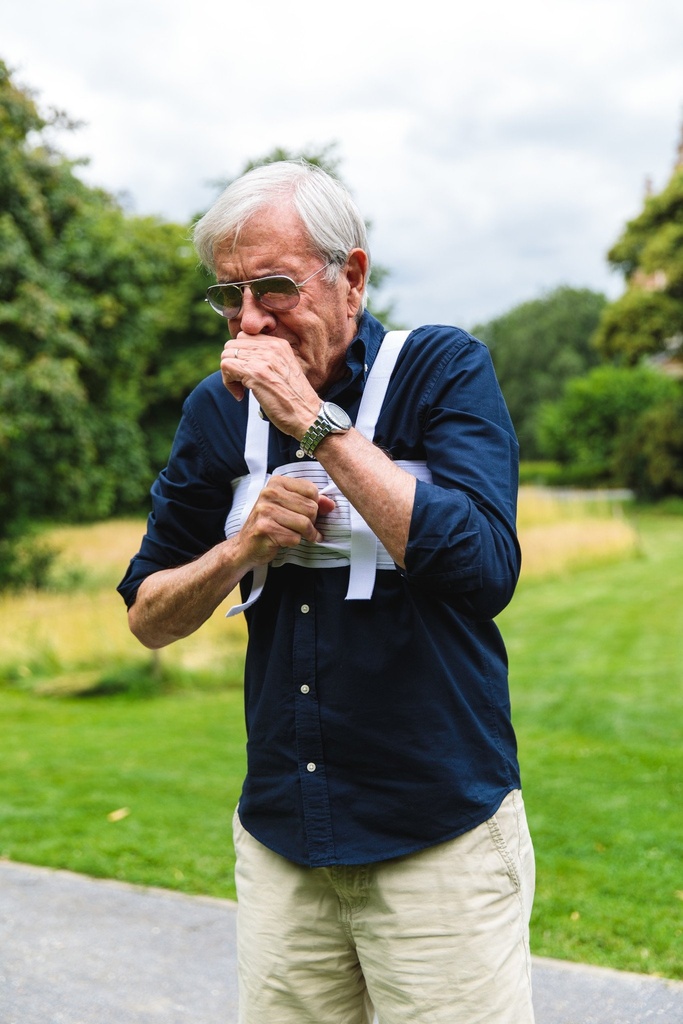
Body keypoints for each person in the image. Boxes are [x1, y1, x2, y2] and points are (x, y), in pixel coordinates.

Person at [117, 160, 535, 1024]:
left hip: (437, 836)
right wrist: (241, 547)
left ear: (351, 275)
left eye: (273, 288)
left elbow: (486, 570)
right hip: (282, 837)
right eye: (228, 297)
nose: (250, 319)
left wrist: (312, 422)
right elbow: (148, 614)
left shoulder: (441, 370)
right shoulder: (215, 411)